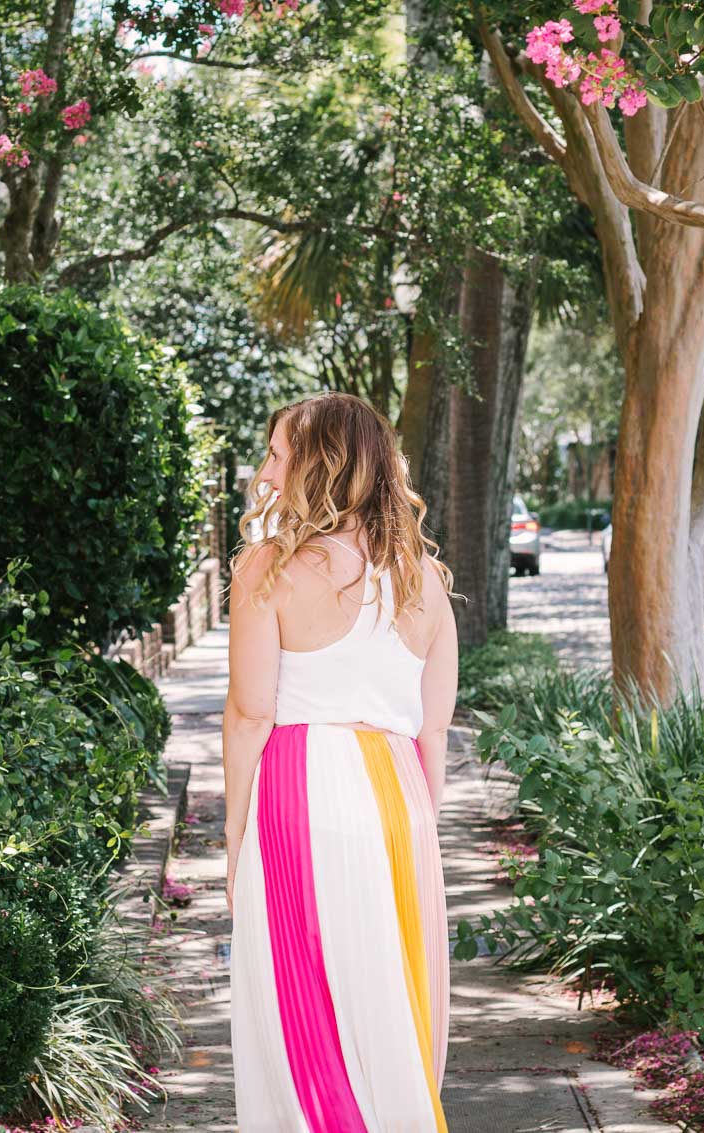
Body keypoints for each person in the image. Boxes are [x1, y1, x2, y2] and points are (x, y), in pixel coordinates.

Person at [224, 391, 457, 1132]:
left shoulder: (268, 570)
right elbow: (434, 735)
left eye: (277, 454)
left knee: (300, 1021)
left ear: (319, 466)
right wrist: (418, 833)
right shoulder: (427, 585)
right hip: (399, 803)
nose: (264, 473)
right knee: (389, 1009)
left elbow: (251, 713)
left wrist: (233, 839)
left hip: (300, 791)